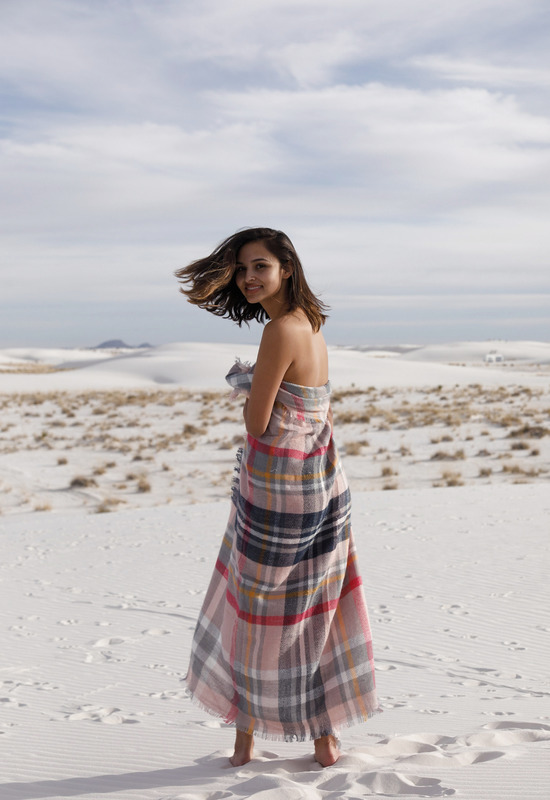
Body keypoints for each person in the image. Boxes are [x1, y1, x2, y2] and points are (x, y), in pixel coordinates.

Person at [175, 227, 380, 768]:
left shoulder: (279, 331)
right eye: (242, 269)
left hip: (278, 492)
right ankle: (323, 738)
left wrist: (245, 385)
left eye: (259, 266)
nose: (248, 278)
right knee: (317, 612)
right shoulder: (312, 324)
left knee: (253, 611)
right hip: (324, 483)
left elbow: (259, 422)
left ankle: (244, 740)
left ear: (287, 267)